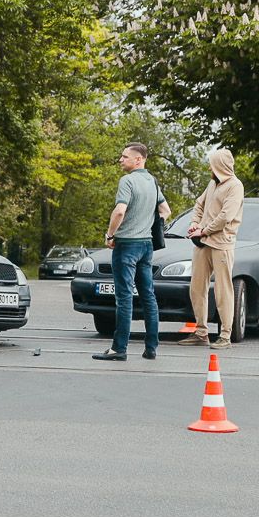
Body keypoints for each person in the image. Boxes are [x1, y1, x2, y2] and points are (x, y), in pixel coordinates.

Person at [93, 142, 170, 362]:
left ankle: (119, 349)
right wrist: (148, 223)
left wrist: (109, 235)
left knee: (124, 297)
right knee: (148, 297)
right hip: (146, 246)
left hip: (126, 245)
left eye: (124, 157)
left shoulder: (127, 181)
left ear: (138, 159)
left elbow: (119, 211)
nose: (120, 160)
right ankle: (151, 347)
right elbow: (165, 211)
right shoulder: (152, 182)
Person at [179, 148, 245, 350]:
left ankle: (225, 335)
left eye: (212, 163)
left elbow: (226, 216)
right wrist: (194, 223)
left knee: (223, 289)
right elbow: (199, 204)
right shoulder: (212, 183)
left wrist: (204, 230)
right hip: (203, 242)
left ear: (220, 165)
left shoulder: (235, 186)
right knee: (196, 287)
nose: (210, 167)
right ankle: (201, 332)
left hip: (222, 243)